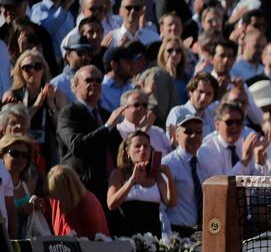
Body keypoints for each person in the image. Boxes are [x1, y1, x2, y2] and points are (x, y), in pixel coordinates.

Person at [56, 65, 126, 211]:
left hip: (107, 190)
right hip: (80, 188)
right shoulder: (69, 113)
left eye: (98, 80)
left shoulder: (106, 114)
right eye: (88, 79)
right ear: (75, 85)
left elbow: (120, 150)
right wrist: (107, 127)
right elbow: (77, 146)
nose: (94, 83)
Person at [3, 49, 67, 169]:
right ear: (20, 71)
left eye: (37, 66)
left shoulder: (56, 94)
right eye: (27, 68)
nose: (33, 71)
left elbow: (63, 128)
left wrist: (51, 104)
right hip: (20, 152)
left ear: (44, 69)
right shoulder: (12, 95)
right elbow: (8, 128)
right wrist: (36, 105)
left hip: (49, 151)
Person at [107, 130, 176, 235]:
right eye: (137, 146)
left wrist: (170, 178)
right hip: (126, 237)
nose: (142, 149)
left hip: (153, 239)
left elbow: (170, 203)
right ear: (127, 151)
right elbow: (111, 204)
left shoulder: (156, 175)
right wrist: (132, 181)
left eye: (146, 146)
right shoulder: (119, 173)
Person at [162, 112, 205, 237]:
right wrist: (167, 237)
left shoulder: (200, 163)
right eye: (188, 131)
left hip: (198, 233)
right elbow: (161, 208)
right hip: (177, 233)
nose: (194, 136)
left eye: (198, 132)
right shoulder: (168, 164)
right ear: (177, 136)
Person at [44, 164, 108, 239]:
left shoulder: (90, 206)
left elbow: (98, 244)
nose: (55, 202)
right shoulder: (55, 200)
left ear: (68, 192)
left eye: (57, 198)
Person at [0, 134, 37, 237]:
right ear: (2, 155)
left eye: (25, 155)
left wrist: (37, 206)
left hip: (23, 241)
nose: (20, 158)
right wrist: (20, 210)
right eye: (15, 154)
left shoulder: (29, 184)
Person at [116, 89, 172, 155]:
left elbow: (170, 157)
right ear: (123, 110)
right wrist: (143, 131)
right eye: (136, 105)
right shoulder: (118, 131)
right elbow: (125, 156)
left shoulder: (158, 131)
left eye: (145, 105)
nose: (141, 108)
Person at [166, 72, 219, 137]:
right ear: (190, 92)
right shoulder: (177, 112)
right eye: (200, 91)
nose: (204, 97)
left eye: (209, 94)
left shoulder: (213, 116)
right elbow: (171, 144)